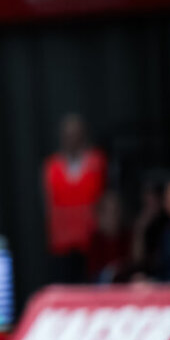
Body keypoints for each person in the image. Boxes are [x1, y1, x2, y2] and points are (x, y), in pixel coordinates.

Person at [41, 113, 106, 284]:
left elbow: (104, 202)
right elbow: (48, 206)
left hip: (92, 242)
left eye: (76, 134)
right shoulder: (51, 167)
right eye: (68, 135)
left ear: (84, 135)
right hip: (62, 245)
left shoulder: (97, 162)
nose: (72, 139)